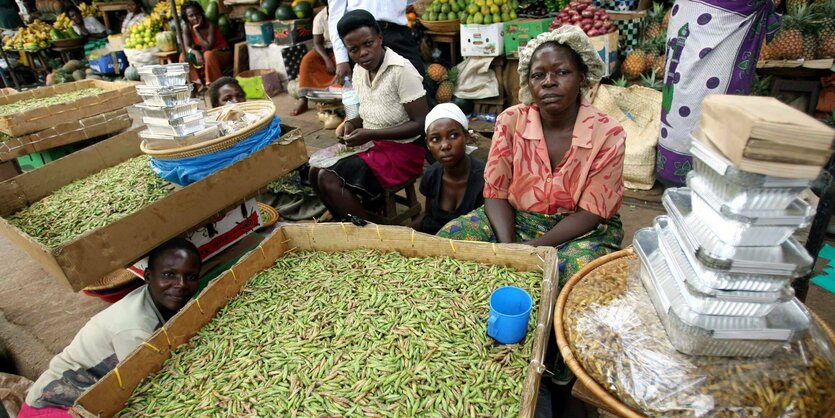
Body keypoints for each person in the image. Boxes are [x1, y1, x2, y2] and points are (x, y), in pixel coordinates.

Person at [437, 26, 625, 287]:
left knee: (574, 276)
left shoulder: (607, 133)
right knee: (449, 242)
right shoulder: (510, 121)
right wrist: (508, 246)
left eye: (562, 72)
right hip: (516, 218)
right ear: (529, 83)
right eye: (538, 75)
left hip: (580, 231)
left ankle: (550, 327)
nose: (549, 81)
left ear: (582, 76)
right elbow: (496, 192)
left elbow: (591, 212)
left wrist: (533, 248)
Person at [19, 238, 202, 418]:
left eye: (191, 277)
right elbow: (150, 389)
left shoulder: (155, 300)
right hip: (55, 406)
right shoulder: (135, 331)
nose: (181, 284)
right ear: (148, 276)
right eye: (169, 274)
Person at [309, 10, 429, 221]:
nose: (363, 53)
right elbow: (363, 114)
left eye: (368, 43)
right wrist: (350, 124)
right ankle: (345, 220)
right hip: (373, 143)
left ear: (380, 37)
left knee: (329, 179)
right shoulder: (359, 71)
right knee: (314, 171)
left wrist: (370, 134)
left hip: (404, 150)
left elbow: (421, 124)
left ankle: (366, 231)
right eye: (353, 49)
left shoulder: (401, 70)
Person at [414, 103, 484, 235]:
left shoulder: (484, 179)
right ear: (428, 144)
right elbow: (428, 218)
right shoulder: (431, 175)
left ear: (466, 137)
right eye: (435, 139)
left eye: (453, 136)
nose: (445, 146)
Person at [328, 0, 425, 82]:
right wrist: (341, 59)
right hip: (362, 37)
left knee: (417, 80)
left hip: (398, 32)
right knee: (373, 90)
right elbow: (336, 16)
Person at [292, 0, 336, 116]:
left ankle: (340, 96)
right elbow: (317, 43)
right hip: (326, 51)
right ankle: (303, 99)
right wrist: (327, 60)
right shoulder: (320, 18)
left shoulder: (348, 12)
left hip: (343, 49)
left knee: (342, 64)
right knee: (307, 60)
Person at [179, 1, 231, 93]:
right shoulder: (187, 27)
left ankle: (214, 86)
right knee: (183, 56)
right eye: (191, 16)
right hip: (203, 55)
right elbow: (185, 46)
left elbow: (208, 47)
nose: (195, 18)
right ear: (186, 18)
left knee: (208, 54)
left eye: (197, 14)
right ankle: (197, 84)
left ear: (201, 14)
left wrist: (195, 30)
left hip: (222, 53)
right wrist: (195, 52)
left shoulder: (210, 25)